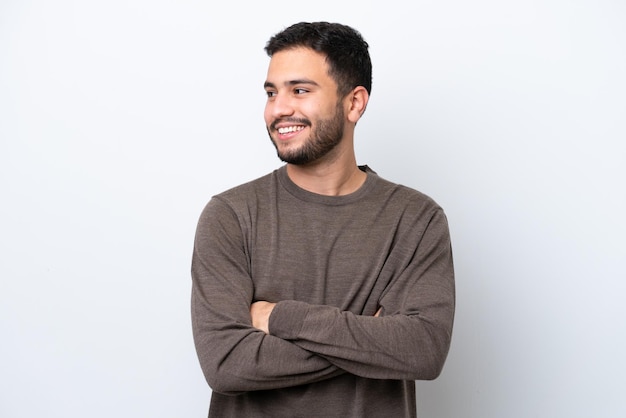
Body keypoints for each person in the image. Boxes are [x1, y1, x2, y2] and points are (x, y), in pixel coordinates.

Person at [191, 21, 455, 418]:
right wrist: (372, 343)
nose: (279, 108)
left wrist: (278, 316)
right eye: (271, 93)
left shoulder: (415, 220)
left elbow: (423, 350)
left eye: (299, 90)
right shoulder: (230, 215)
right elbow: (226, 363)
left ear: (354, 103)